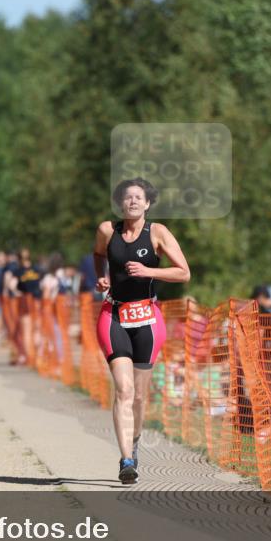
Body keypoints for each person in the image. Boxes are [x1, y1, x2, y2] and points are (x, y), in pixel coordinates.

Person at [94, 177, 190, 484]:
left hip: (147, 319)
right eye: (128, 197)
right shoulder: (107, 231)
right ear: (120, 203)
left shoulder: (157, 233)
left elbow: (184, 272)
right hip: (113, 316)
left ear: (147, 204)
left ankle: (134, 442)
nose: (133, 201)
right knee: (124, 390)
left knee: (138, 396)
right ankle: (126, 461)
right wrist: (102, 277)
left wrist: (149, 271)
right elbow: (98, 254)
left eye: (139, 197)